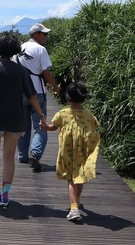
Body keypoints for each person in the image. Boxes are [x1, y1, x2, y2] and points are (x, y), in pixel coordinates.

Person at [0, 33, 47, 208]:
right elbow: (31, 96)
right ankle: (5, 195)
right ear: (16, 50)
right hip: (16, 118)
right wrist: (41, 115)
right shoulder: (21, 71)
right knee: (9, 157)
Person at [42, 81, 100, 222]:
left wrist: (44, 126)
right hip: (84, 152)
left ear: (68, 98)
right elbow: (95, 127)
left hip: (67, 152)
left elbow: (52, 127)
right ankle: (76, 203)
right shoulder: (89, 116)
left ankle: (74, 208)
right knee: (79, 177)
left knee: (71, 179)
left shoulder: (63, 114)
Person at [14, 23, 61, 172]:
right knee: (41, 124)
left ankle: (22, 155)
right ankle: (35, 153)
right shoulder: (41, 49)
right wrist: (56, 87)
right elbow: (45, 72)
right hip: (37, 92)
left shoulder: (18, 49)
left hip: (20, 91)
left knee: (23, 125)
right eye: (43, 34)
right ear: (35, 34)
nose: (46, 37)